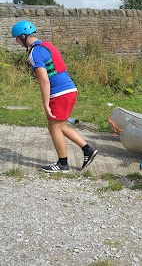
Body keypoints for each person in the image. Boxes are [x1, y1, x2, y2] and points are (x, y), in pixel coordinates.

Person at [11, 20, 98, 173]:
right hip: (70, 89)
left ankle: (62, 164)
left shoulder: (34, 53)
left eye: (16, 38)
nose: (16, 42)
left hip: (59, 93)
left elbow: (44, 81)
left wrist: (45, 104)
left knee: (54, 128)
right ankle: (88, 150)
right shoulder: (46, 45)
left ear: (23, 37)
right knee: (61, 125)